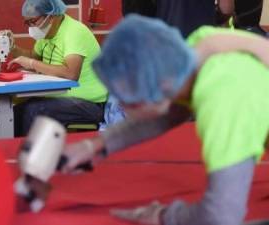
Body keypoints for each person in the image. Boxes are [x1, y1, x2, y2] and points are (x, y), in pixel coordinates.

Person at [61, 15, 269, 225]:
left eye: (128, 102)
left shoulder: (224, 102)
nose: (122, 108)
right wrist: (97, 144)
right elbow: (172, 109)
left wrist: (163, 216)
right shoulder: (200, 47)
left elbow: (220, 217)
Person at [10, 0, 108, 137]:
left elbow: (71, 74)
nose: (31, 27)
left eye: (33, 21)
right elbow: (34, 56)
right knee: (15, 112)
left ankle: (33, 157)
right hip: (59, 96)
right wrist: (12, 49)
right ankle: (9, 156)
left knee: (32, 111)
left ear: (51, 16)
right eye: (27, 22)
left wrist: (31, 63)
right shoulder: (47, 33)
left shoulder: (74, 32)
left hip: (90, 103)